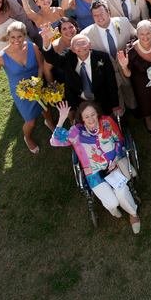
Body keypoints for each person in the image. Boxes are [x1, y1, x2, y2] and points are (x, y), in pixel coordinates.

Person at [49, 99, 141, 233]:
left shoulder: (107, 122)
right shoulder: (76, 133)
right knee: (111, 203)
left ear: (97, 113)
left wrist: (116, 158)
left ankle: (133, 214)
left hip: (114, 165)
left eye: (93, 114)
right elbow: (54, 141)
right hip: (94, 173)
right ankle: (114, 209)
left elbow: (118, 140)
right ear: (82, 118)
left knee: (121, 192)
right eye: (86, 116)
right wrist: (62, 118)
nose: (91, 119)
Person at [0, 22, 54, 153]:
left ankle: (50, 122)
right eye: (12, 37)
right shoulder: (1, 57)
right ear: (8, 37)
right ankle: (28, 138)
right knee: (31, 122)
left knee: (46, 107)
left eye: (20, 36)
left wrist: (37, 81)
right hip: (21, 93)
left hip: (38, 84)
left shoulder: (32, 47)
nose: (16, 40)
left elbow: (41, 65)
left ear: (25, 36)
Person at [40, 27, 120, 116]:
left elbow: (111, 82)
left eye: (83, 43)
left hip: (101, 99)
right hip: (79, 101)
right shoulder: (68, 57)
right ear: (72, 49)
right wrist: (47, 41)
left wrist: (115, 105)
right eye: (77, 45)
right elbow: (52, 59)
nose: (81, 47)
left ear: (89, 44)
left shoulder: (102, 57)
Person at [117, 20, 151, 134]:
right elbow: (128, 74)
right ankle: (147, 118)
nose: (145, 36)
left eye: (148, 33)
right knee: (145, 100)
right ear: (137, 35)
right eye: (142, 34)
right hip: (140, 82)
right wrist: (124, 67)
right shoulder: (131, 50)